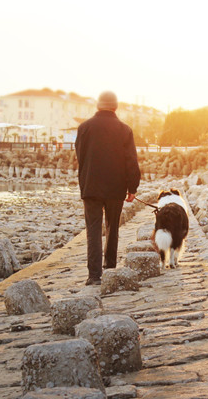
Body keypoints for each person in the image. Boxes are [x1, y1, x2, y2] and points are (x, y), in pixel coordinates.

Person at [75, 91, 141, 285]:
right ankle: (110, 267)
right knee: (112, 228)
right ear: (115, 106)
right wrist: (132, 188)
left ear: (98, 105)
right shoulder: (124, 129)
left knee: (93, 230)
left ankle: (94, 276)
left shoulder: (84, 127)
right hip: (115, 186)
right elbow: (131, 161)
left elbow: (81, 156)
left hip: (91, 186)